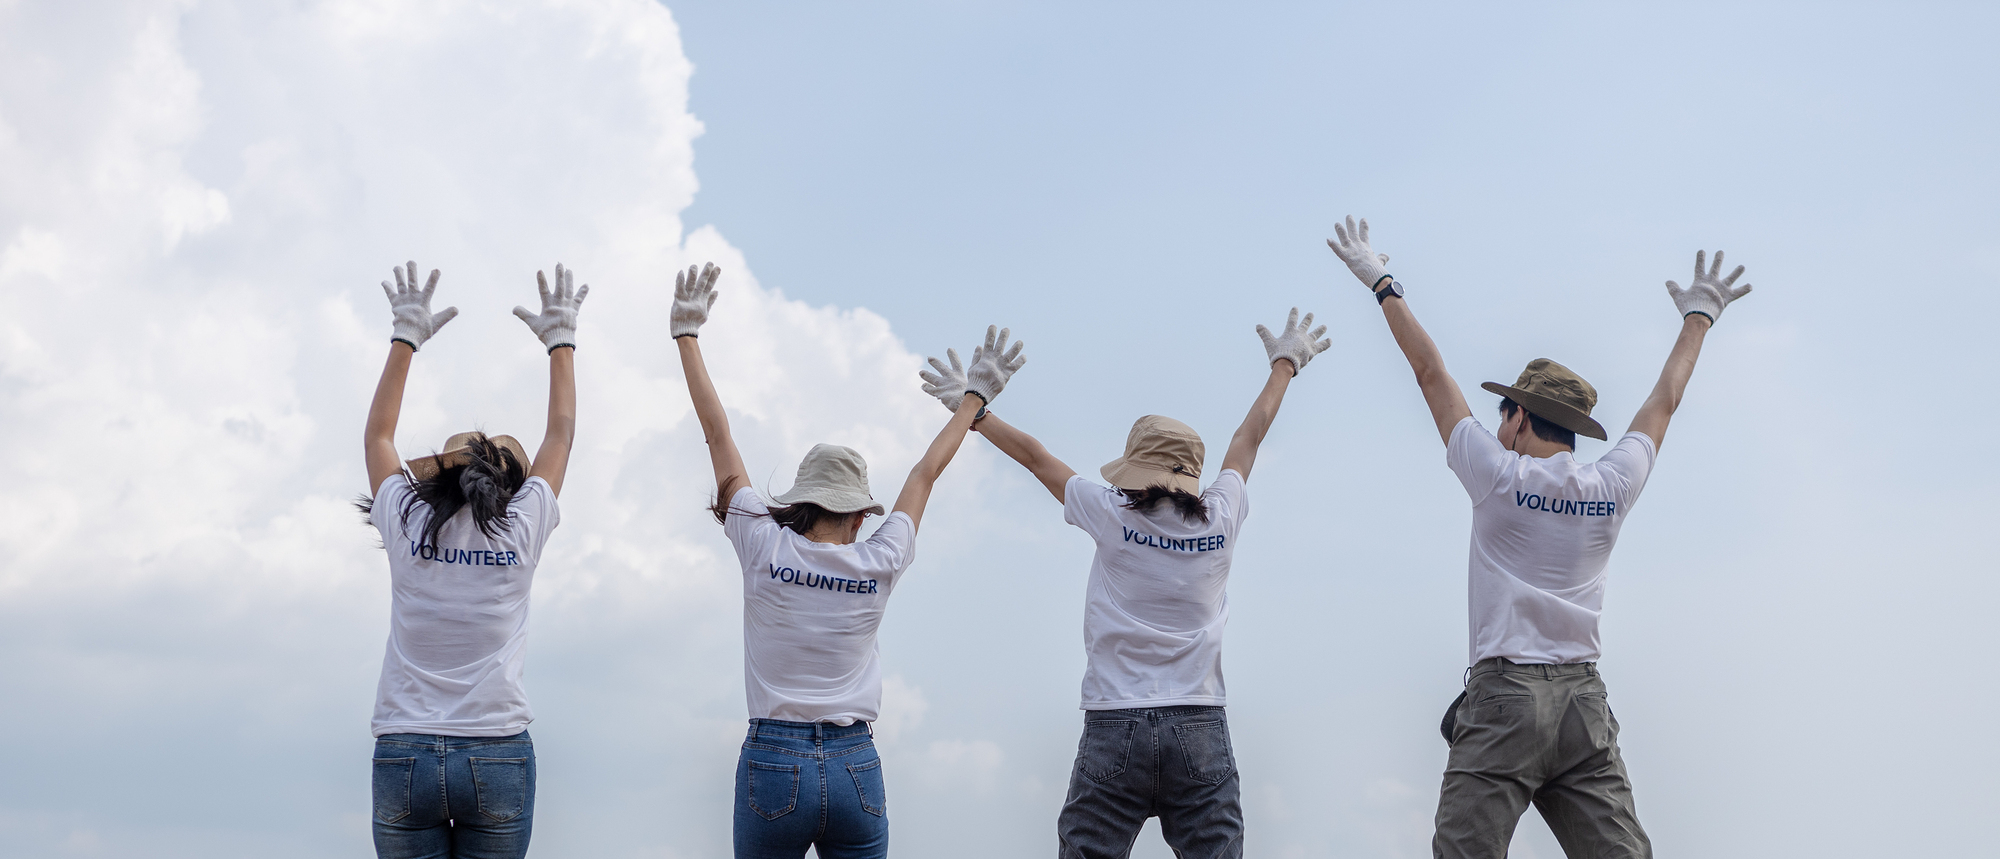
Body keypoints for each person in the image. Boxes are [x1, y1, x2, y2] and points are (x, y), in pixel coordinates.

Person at [1326, 216, 1754, 858]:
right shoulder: (1610, 485)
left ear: (1519, 416)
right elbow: (1663, 402)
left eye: (1504, 416)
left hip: (1504, 698)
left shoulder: (1496, 475)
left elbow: (1429, 373)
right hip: (1583, 702)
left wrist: (1382, 283)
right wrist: (1699, 315)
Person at [943, 309, 1330, 859]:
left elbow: (1036, 459)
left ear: (1134, 470)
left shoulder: (1111, 514)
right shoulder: (1221, 516)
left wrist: (975, 409)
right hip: (1200, 720)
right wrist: (1284, 365)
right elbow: (1249, 437)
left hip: (1113, 719)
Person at [669, 262, 1020, 859]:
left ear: (801, 502)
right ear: (861, 514)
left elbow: (717, 435)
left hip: (773, 761)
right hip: (856, 763)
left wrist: (688, 337)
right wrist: (974, 400)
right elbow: (924, 473)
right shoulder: (880, 559)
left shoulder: (761, 540)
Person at [357, 260, 587, 859]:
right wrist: (560, 341)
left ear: (443, 473)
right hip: (495, 750)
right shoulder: (523, 524)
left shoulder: (405, 518)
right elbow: (560, 435)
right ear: (511, 482)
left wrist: (406, 335)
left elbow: (378, 437)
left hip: (405, 747)